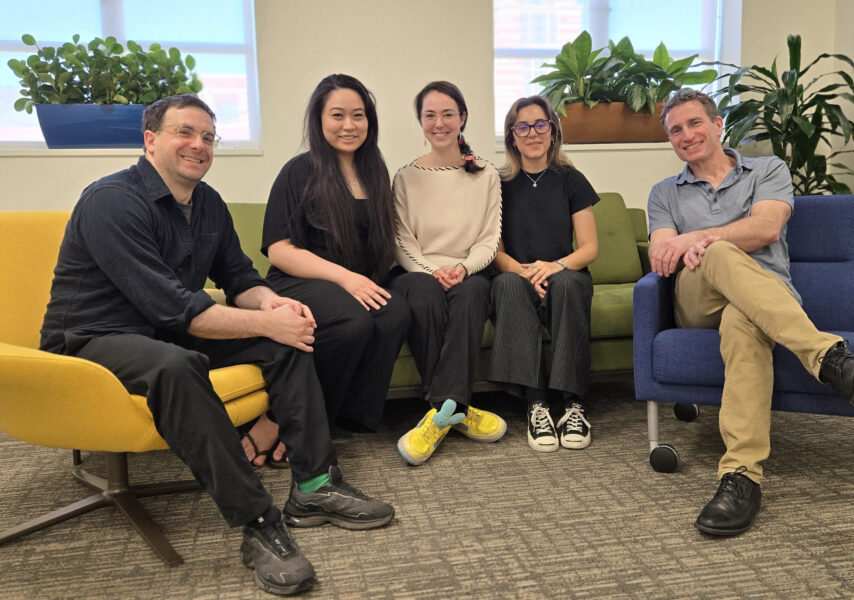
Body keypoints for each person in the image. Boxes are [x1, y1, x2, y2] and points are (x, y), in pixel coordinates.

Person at [39, 94, 395, 596]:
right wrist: (265, 323)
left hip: (164, 331)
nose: (198, 145)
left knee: (288, 340)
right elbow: (175, 308)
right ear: (150, 140)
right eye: (185, 132)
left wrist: (274, 308)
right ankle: (258, 524)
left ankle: (315, 485)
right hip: (90, 341)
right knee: (177, 364)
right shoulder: (111, 201)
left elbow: (238, 275)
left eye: (208, 137)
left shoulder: (206, 203)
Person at [647, 89, 854, 537]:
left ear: (718, 125)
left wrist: (691, 239)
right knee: (719, 253)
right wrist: (695, 244)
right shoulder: (664, 194)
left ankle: (740, 477)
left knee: (743, 320)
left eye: (695, 123)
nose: (687, 135)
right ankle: (829, 358)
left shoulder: (767, 170)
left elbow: (767, 227)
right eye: (676, 130)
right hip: (697, 299)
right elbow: (662, 257)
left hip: (764, 299)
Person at [247, 74, 410, 467]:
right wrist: (345, 278)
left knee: (395, 314)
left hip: (352, 285)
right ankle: (285, 419)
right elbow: (280, 249)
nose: (349, 125)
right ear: (319, 120)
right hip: (299, 281)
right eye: (337, 115)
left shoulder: (374, 172)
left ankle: (339, 418)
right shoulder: (299, 171)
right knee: (353, 322)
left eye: (358, 115)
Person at [389, 80, 507, 465]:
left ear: (462, 118)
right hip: (416, 270)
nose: (438, 123)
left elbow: (489, 239)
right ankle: (454, 407)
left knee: (473, 295)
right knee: (422, 292)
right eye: (429, 115)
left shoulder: (486, 174)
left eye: (447, 114)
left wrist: (461, 267)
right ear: (420, 121)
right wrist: (431, 270)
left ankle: (438, 414)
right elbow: (402, 242)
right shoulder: (405, 176)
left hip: (468, 270)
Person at [487, 96, 598, 452]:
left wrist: (556, 266)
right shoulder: (497, 185)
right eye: (522, 126)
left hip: (564, 272)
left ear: (553, 132)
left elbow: (589, 248)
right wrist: (524, 272)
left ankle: (572, 404)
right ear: (512, 136)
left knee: (568, 283)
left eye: (540, 125)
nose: (532, 133)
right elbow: (496, 251)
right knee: (505, 283)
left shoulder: (571, 180)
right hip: (518, 275)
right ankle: (536, 403)